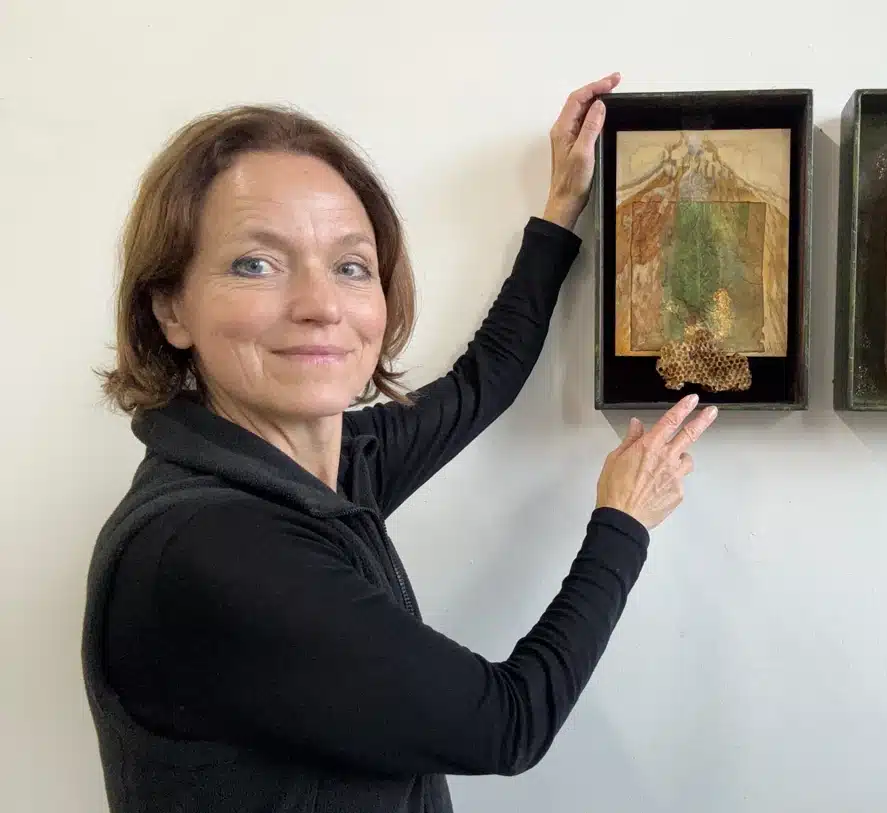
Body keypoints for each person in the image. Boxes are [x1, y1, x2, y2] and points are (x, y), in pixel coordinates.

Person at [80, 73, 718, 813]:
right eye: (256, 264)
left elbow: (481, 383)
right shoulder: (213, 546)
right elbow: (507, 724)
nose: (321, 305)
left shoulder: (325, 465)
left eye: (350, 266)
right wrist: (623, 521)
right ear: (171, 309)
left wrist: (562, 207)